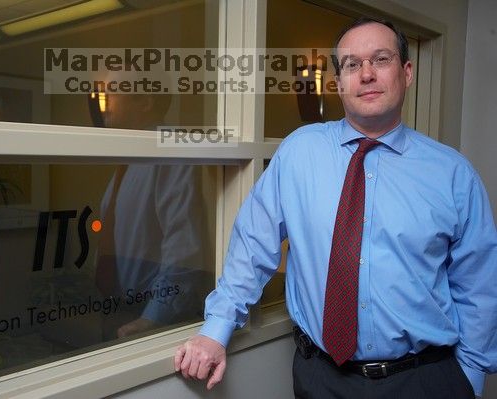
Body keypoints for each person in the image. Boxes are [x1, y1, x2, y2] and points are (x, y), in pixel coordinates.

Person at [174, 17, 497, 398]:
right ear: (338, 81)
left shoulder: (453, 174)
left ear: (406, 72)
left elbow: (478, 287)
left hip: (423, 380)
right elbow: (252, 246)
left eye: (381, 59)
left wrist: (469, 379)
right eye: (351, 64)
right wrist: (216, 330)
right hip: (321, 379)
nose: (366, 74)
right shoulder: (299, 152)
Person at [91, 84, 211, 341]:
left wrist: (153, 317)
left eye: (112, 90)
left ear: (145, 101)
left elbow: (183, 245)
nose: (104, 99)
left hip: (150, 318)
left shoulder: (168, 147)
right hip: (117, 308)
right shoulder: (133, 155)